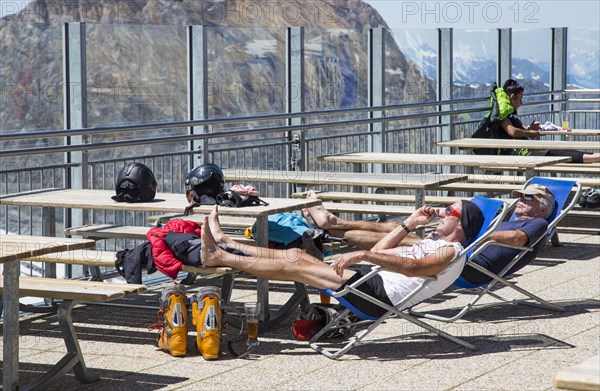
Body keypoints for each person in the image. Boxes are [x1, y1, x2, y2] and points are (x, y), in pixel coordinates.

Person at [200, 200, 484, 318]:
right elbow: (384, 251)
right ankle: (226, 243)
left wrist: (362, 253)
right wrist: (409, 223)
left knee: (296, 265)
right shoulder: (431, 242)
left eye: (450, 212)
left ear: (461, 226)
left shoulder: (451, 252)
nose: (442, 212)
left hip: (377, 296)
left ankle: (218, 255)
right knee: (297, 255)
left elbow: (412, 269)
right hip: (369, 279)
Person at [460, 184, 554, 284]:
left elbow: (517, 239)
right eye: (520, 195)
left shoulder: (539, 223)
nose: (521, 199)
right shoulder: (505, 223)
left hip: (478, 268)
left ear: (543, 209)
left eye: (528, 196)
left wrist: (479, 236)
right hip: (466, 258)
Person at [498, 79, 599, 163]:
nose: (521, 102)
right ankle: (595, 157)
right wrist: (530, 132)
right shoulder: (503, 116)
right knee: (559, 154)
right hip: (524, 154)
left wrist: (529, 129)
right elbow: (513, 132)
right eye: (520, 99)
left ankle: (595, 156)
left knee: (561, 150)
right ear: (512, 97)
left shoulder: (509, 115)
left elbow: (519, 129)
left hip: (527, 150)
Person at [300, 190, 423, 249]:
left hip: (434, 250)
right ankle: (332, 224)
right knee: (393, 226)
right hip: (435, 244)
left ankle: (332, 226)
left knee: (408, 241)